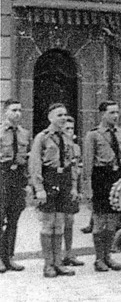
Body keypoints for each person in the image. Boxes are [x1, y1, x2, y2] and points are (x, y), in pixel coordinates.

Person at [29, 103, 79, 277]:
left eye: (65, 115)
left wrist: (73, 186)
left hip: (63, 180)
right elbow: (35, 164)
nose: (63, 118)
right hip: (49, 180)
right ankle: (48, 264)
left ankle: (59, 263)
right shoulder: (42, 138)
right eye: (59, 115)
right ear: (50, 117)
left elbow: (72, 164)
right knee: (48, 224)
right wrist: (39, 188)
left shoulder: (67, 138)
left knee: (60, 224)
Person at [84, 101, 121, 272]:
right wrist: (88, 187)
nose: (115, 116)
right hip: (100, 177)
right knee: (99, 219)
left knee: (112, 219)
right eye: (111, 112)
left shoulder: (120, 133)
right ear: (102, 114)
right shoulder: (93, 135)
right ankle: (99, 259)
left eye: (117, 112)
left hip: (116, 177)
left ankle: (108, 256)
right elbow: (88, 162)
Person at [0, 99, 30, 273]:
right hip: (2, 176)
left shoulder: (25, 133)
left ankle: (9, 257)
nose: (17, 113)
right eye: (14, 110)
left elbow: (27, 158)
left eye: (20, 110)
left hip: (18, 178)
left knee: (13, 220)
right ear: (5, 112)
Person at [62, 117, 84, 267]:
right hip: (58, 186)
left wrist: (77, 188)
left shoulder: (76, 148)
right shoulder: (56, 145)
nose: (70, 132)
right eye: (66, 129)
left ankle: (68, 253)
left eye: (72, 129)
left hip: (72, 186)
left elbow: (77, 169)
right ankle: (56, 256)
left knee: (70, 221)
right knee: (56, 223)